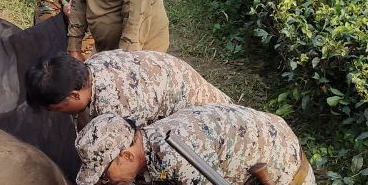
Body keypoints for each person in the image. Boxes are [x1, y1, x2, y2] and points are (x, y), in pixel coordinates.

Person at [73, 105, 314, 185]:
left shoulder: (178, 159)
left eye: (105, 173)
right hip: (257, 148)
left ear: (126, 155)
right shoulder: (147, 144)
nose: (106, 182)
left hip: (281, 175)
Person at [25, 50, 232, 129]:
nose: (60, 114)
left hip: (211, 119)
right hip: (181, 90)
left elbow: (136, 159)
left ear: (73, 95)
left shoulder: (117, 109)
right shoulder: (93, 65)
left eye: (58, 109)